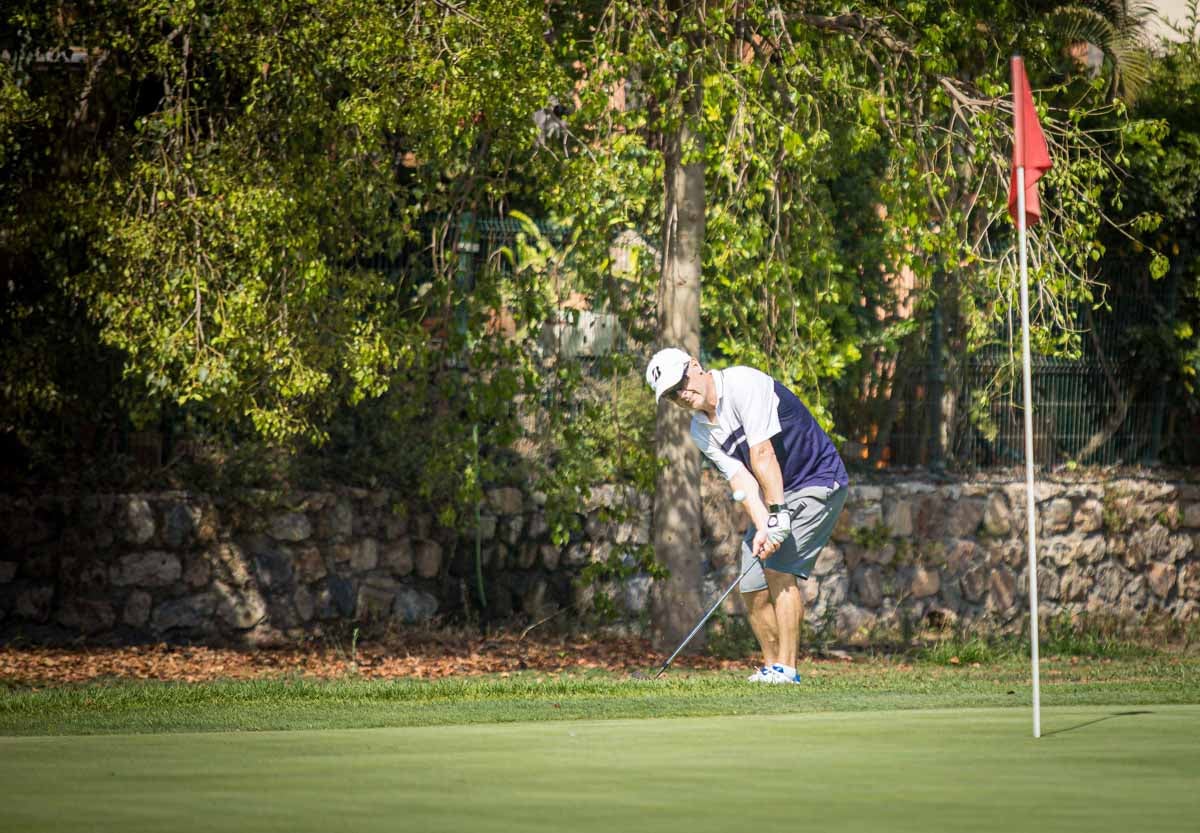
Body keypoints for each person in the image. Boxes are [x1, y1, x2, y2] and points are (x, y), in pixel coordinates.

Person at [646, 347, 849, 684]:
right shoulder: (701, 430)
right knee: (752, 583)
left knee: (779, 567)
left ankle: (788, 668)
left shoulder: (743, 383)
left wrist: (778, 515)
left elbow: (763, 454)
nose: (681, 394)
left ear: (695, 366)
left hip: (817, 479)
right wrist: (764, 524)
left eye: (681, 382)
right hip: (775, 495)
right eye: (671, 394)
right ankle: (772, 669)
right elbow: (741, 481)